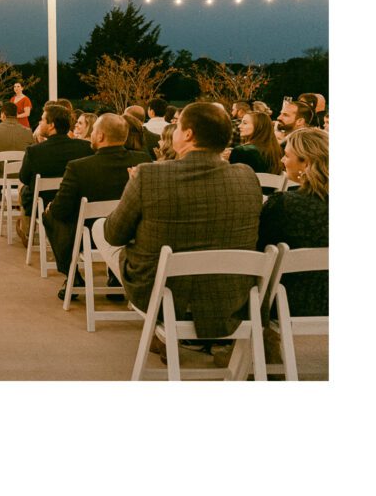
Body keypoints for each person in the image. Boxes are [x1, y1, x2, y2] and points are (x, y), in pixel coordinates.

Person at [98, 102, 264, 339]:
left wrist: (133, 189)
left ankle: (159, 332)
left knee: (100, 228)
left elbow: (114, 235)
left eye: (176, 128)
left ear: (188, 134)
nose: (173, 132)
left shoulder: (149, 174)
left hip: (163, 295)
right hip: (228, 297)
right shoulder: (247, 176)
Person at [42, 114, 149, 298]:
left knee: (50, 214)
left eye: (94, 132)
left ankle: (73, 275)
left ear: (100, 137)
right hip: (129, 235)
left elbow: (60, 210)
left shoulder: (78, 167)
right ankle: (116, 274)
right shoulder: (142, 160)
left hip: (88, 238)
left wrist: (51, 207)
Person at [257, 127, 328, 317]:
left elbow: (258, 250)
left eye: (287, 156)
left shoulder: (284, 205)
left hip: (287, 301)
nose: (282, 161)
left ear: (306, 162)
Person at [17, 103, 92, 239]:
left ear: (51, 125)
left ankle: (26, 230)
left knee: (22, 187)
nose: (39, 122)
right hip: (75, 202)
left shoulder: (34, 151)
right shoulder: (86, 148)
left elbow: (24, 177)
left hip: (44, 203)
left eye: (42, 119)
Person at [0, 102, 34, 197]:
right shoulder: (28, 132)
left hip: (0, 174)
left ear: (3, 115)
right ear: (16, 115)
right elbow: (32, 154)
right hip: (22, 173)